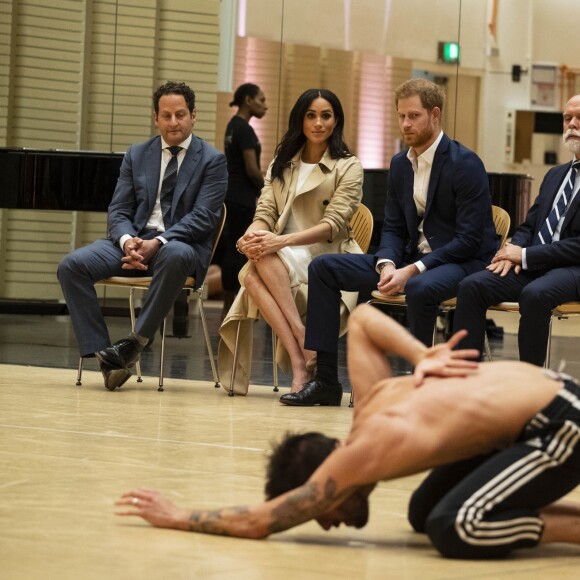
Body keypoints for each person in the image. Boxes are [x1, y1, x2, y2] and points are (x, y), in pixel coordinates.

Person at [115, 304, 580, 559]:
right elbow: (361, 322)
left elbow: (260, 521)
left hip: (563, 425)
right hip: (544, 411)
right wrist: (421, 356)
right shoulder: (372, 404)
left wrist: (176, 515)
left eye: (321, 508)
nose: (326, 520)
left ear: (329, 477)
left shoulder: (370, 447)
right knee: (423, 511)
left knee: (454, 525)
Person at [281, 77, 497, 407]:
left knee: (422, 288)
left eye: (414, 116)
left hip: (459, 261)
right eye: (401, 116)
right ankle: (325, 380)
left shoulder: (465, 164)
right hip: (410, 261)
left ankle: (420, 387)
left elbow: (469, 239)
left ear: (435, 115)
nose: (405, 124)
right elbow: (394, 228)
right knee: (324, 267)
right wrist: (388, 264)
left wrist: (412, 270)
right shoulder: (399, 165)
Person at [57, 81, 227, 390]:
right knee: (72, 266)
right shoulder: (137, 154)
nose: (173, 122)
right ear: (156, 118)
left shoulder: (212, 160)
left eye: (180, 114)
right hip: (133, 242)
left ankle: (136, 342)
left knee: (175, 253)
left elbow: (203, 218)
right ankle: (107, 359)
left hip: (178, 246)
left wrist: (158, 242)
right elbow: (118, 209)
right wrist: (127, 241)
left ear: (193, 116)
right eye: (166, 115)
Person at [217, 88, 363, 395]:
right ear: (300, 119)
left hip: (326, 254)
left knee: (251, 271)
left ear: (336, 121)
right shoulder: (282, 162)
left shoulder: (348, 166)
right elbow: (265, 211)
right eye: (311, 115)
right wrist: (254, 235)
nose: (318, 123)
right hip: (282, 252)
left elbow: (331, 226)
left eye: (326, 115)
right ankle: (301, 349)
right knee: (256, 261)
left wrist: (277, 242)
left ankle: (300, 351)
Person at [453, 94, 580, 366]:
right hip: (535, 264)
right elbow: (530, 224)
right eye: (567, 118)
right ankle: (462, 379)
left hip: (573, 268)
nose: (572, 124)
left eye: (579, 118)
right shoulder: (556, 174)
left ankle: (529, 392)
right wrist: (510, 251)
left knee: (535, 294)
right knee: (471, 286)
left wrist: (524, 256)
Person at [219, 83, 268, 319]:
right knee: (239, 252)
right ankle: (233, 311)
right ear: (248, 100)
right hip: (243, 200)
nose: (265, 105)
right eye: (261, 99)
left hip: (232, 197)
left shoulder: (232, 126)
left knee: (232, 250)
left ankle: (229, 308)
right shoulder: (245, 131)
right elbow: (251, 169)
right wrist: (269, 191)